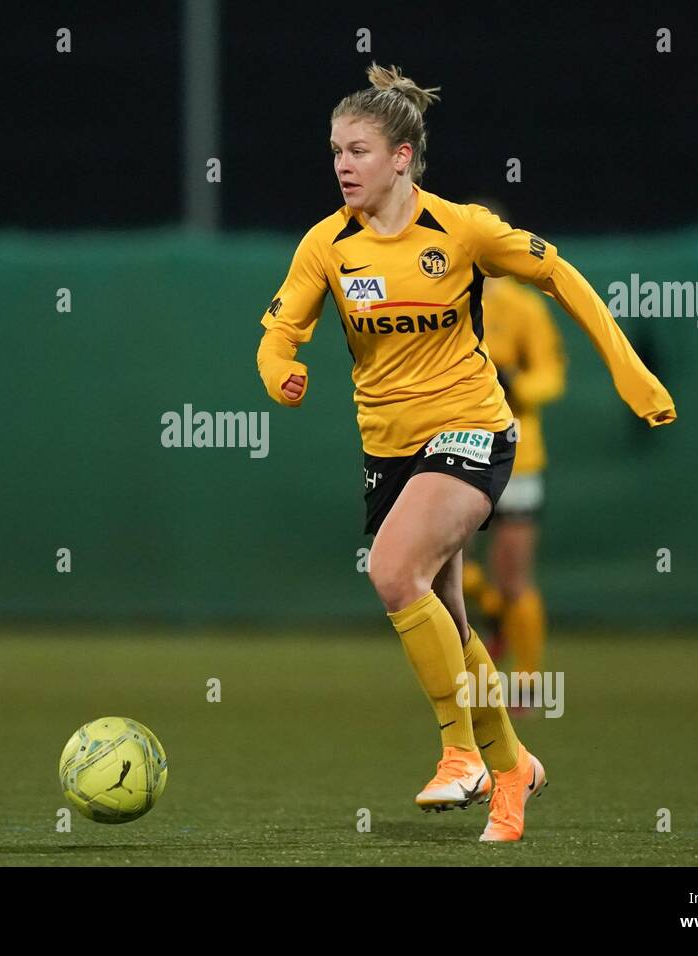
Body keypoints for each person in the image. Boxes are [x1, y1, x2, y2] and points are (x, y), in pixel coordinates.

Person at [255, 64, 676, 842]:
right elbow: (278, 333)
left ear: (401, 157)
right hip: (389, 451)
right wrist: (278, 369)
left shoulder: (462, 230)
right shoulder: (328, 245)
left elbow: (560, 275)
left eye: (357, 151)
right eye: (335, 151)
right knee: (446, 617)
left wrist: (629, 370)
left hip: (474, 429)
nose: (342, 165)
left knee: (392, 572)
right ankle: (512, 767)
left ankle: (460, 754)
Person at [459, 243, 568, 695]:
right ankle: (494, 612)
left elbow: (551, 374)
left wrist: (516, 384)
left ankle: (527, 682)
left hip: (517, 456)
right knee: (447, 566)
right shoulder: (443, 303)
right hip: (457, 451)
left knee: (514, 577)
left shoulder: (524, 308)